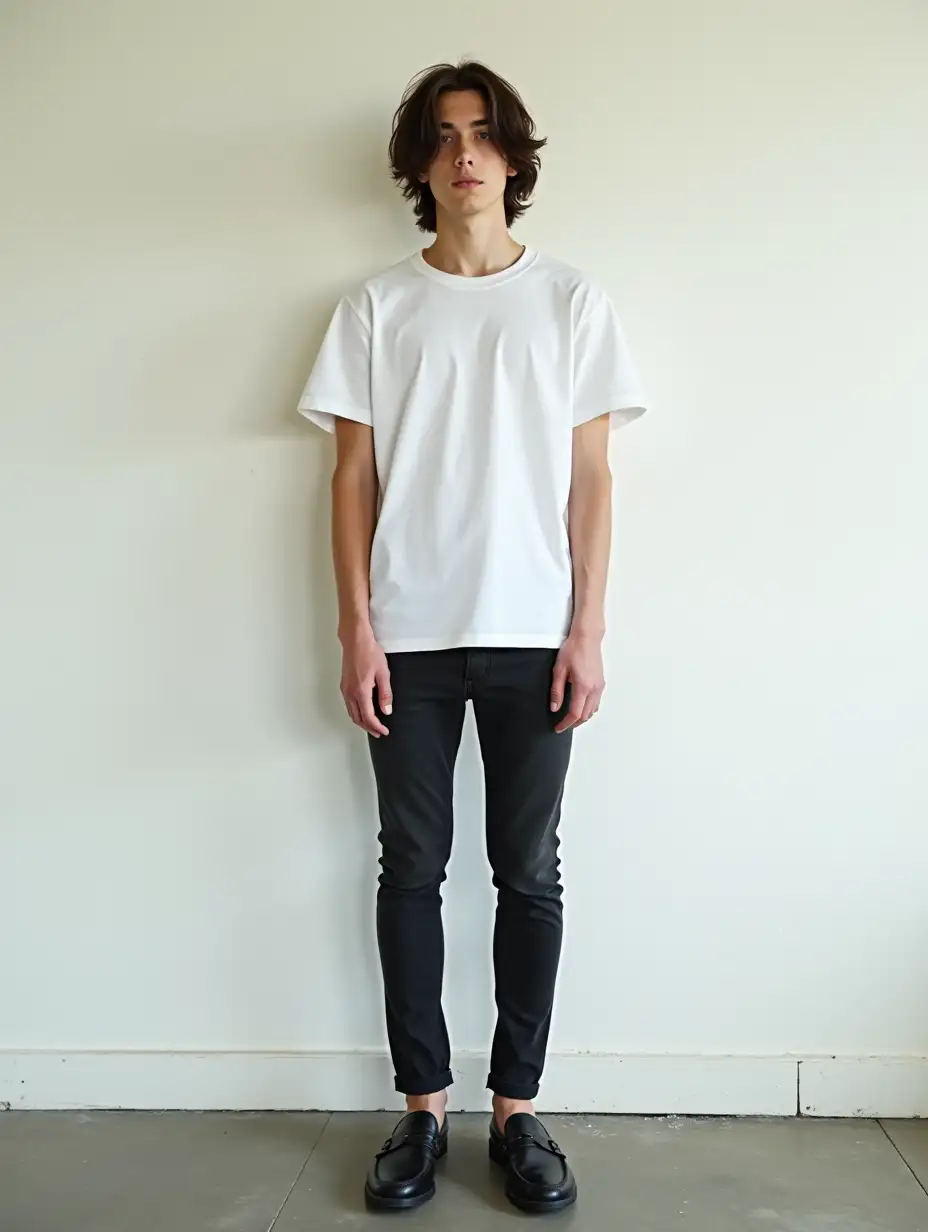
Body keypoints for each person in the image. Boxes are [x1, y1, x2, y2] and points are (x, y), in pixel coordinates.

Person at [297, 58, 647, 1215]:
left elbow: (591, 480)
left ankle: (516, 1111)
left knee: (529, 871)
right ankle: (420, 1109)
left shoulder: (569, 302)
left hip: (531, 629)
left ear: (512, 158)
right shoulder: (375, 307)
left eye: (483, 135)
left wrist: (586, 626)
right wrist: (355, 625)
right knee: (410, 867)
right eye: (443, 138)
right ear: (419, 164)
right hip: (407, 631)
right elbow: (349, 480)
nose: (464, 157)